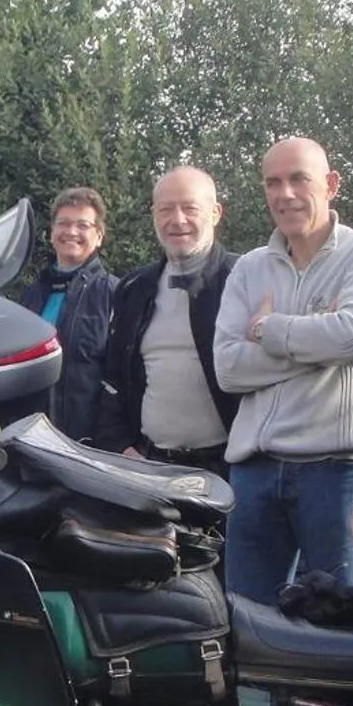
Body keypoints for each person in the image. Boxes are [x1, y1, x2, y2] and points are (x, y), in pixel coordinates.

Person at [215, 137, 353, 599]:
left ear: (332, 185)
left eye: (299, 178)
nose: (285, 193)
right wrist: (318, 342)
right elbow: (228, 370)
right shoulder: (250, 267)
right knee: (247, 629)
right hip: (254, 474)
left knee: (343, 628)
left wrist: (267, 329)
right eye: (273, 182)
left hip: (336, 474)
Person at [96, 165, 237, 476]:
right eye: (166, 209)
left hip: (229, 472)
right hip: (149, 467)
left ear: (215, 213)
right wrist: (121, 447)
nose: (178, 220)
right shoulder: (133, 288)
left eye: (190, 208)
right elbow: (113, 378)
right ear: (153, 215)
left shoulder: (244, 279)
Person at [17, 187, 117, 443]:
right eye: (63, 223)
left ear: (99, 236)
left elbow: (122, 380)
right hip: (29, 438)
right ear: (52, 233)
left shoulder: (114, 294)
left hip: (89, 445)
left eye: (83, 225)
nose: (71, 232)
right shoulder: (31, 294)